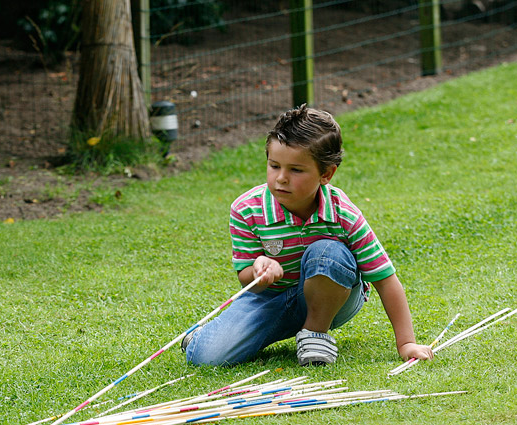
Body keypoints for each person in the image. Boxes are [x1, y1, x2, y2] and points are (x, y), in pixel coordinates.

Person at [184, 104, 434, 368]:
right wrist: (258, 271)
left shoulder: (343, 213)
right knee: (207, 357)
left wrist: (406, 342)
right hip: (271, 298)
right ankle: (205, 337)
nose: (281, 178)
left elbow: (385, 278)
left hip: (336, 297)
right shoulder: (246, 209)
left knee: (328, 252)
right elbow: (247, 281)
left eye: (296, 170)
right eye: (274, 165)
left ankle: (315, 332)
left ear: (326, 174)